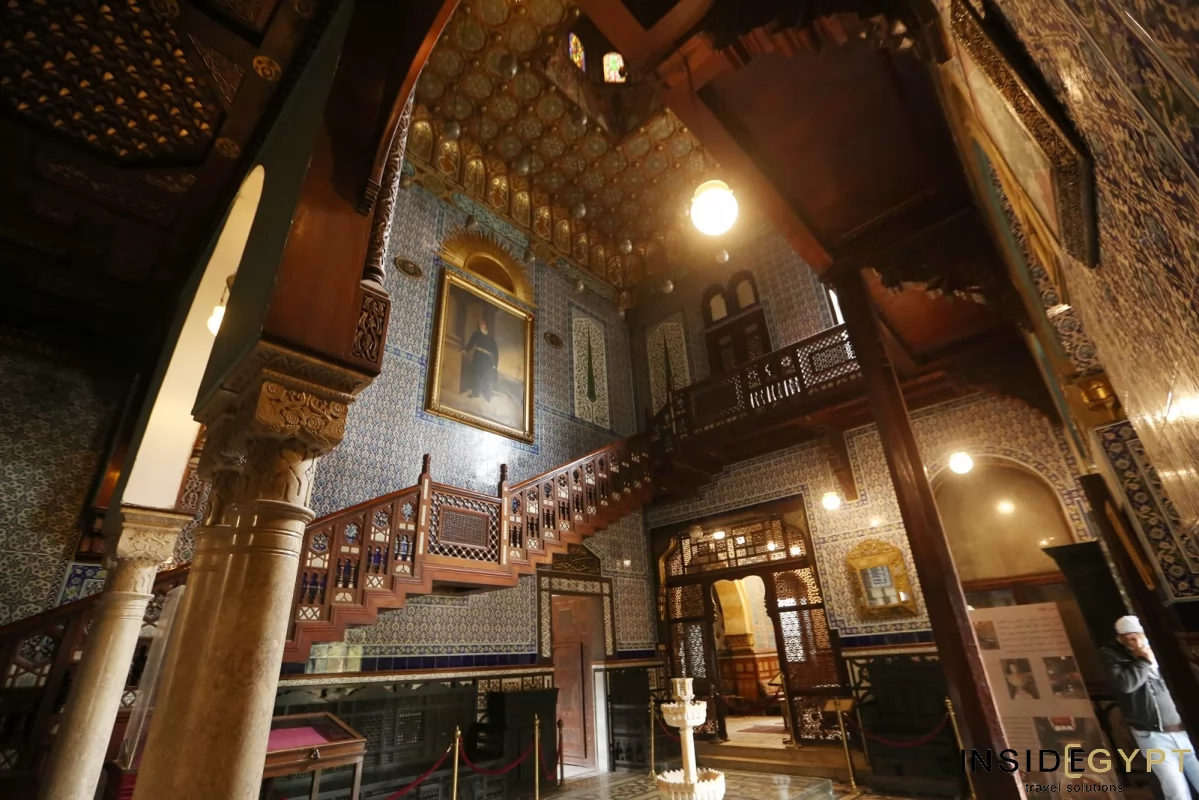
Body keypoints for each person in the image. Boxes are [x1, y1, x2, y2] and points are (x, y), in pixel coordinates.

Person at [1100, 616, 1199, 800]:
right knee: (1176, 791)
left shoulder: (1160, 648)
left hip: (1183, 730)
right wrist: (1143, 661)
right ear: (1120, 638)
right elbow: (1126, 684)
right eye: (1130, 638)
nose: (1136, 642)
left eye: (1139, 636)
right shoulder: (1113, 655)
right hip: (1152, 736)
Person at [461, 319, 499, 401]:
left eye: (484, 325)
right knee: (476, 376)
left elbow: (495, 353)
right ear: (479, 327)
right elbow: (471, 343)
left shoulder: (491, 339)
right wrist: (465, 350)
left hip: (487, 361)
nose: (482, 327)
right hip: (478, 358)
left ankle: (487, 396)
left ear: (486, 327)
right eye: (481, 326)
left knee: (487, 377)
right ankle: (475, 393)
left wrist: (495, 364)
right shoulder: (476, 335)